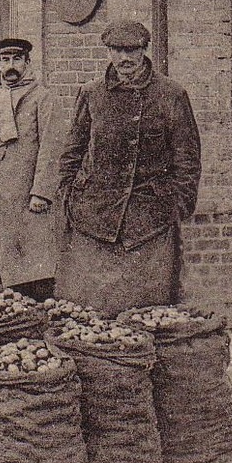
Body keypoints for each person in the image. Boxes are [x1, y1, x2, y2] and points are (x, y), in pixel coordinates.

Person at [55, 20, 201, 315]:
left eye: (132, 50)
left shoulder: (171, 95)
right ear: (107, 51)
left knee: (149, 312)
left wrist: (178, 205)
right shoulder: (91, 93)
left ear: (144, 50)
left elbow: (187, 158)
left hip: (149, 221)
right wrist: (67, 195)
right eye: (116, 50)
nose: (124, 58)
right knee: (91, 311)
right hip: (94, 217)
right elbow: (73, 150)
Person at [0, 38, 62, 301]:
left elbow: (52, 148)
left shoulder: (42, 98)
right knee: (2, 266)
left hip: (28, 199)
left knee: (33, 269)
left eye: (16, 60)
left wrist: (42, 192)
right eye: (5, 60)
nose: (10, 66)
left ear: (27, 62)